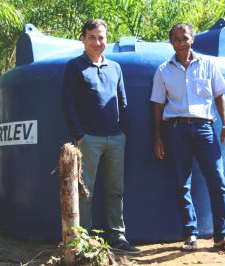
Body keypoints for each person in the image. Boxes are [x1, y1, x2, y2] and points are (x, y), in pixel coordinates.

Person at [150, 23, 225, 253]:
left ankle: (221, 237)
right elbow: (158, 107)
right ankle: (190, 234)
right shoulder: (163, 70)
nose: (181, 42)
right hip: (176, 130)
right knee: (182, 184)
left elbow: (220, 97)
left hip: (204, 129)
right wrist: (158, 137)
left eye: (185, 38)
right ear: (171, 42)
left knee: (217, 182)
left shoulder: (208, 64)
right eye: (177, 39)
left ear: (192, 40)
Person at [64, 19, 141, 256]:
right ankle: (84, 240)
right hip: (89, 139)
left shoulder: (115, 68)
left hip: (115, 139)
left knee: (115, 189)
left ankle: (117, 236)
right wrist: (80, 136)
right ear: (83, 39)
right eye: (92, 37)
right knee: (86, 191)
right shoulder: (74, 67)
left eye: (101, 37)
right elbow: (67, 104)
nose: (97, 42)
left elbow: (124, 102)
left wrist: (124, 133)